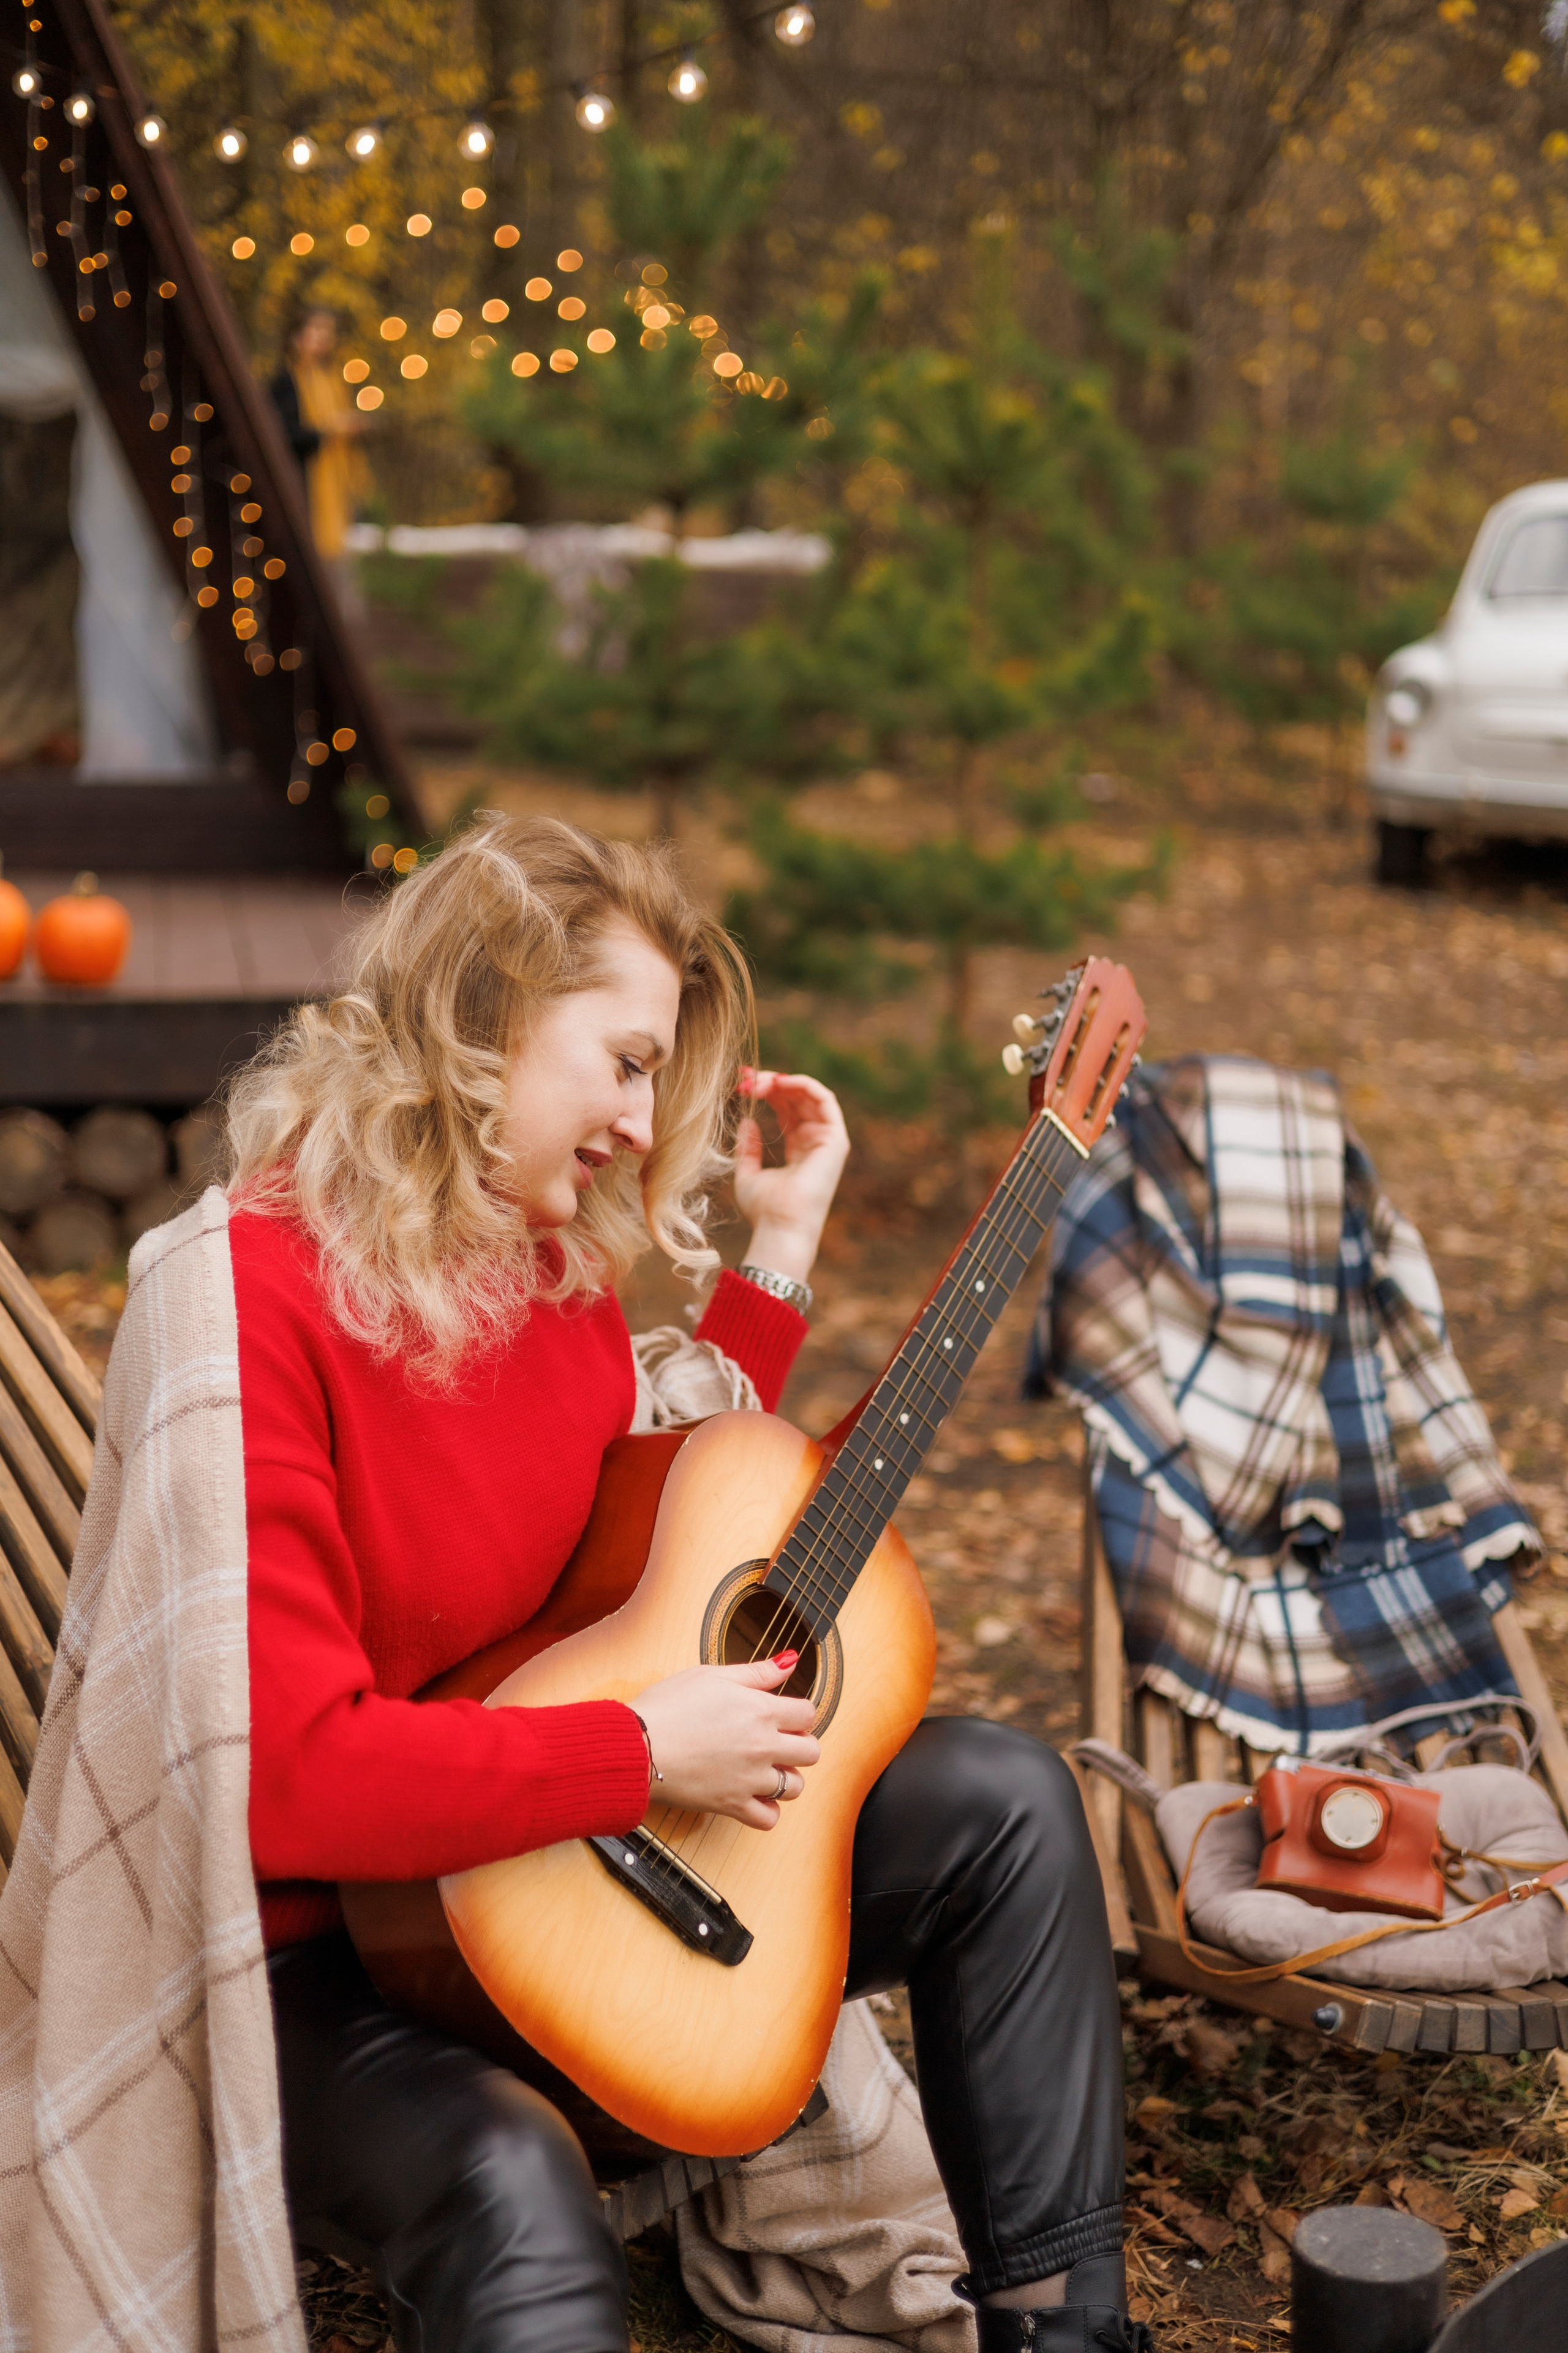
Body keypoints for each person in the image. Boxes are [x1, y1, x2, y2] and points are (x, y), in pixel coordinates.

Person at [230, 815, 1144, 2353]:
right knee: (518, 2175)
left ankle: (1068, 2332)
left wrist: (781, 1249)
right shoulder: (264, 1297)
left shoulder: (551, 1277)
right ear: (487, 1014)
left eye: (662, 1074)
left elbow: (662, 1541)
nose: (648, 1121)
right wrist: (644, 1752)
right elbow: (292, 1774)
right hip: (329, 1960)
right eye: (627, 1060)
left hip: (562, 1872)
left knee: (1000, 1796)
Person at [269, 306, 370, 612]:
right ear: (296, 337)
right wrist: (331, 430)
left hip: (336, 496)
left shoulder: (333, 381)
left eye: (328, 332)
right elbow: (284, 438)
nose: (323, 339)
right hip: (303, 491)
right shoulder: (285, 382)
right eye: (316, 330)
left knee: (340, 576)